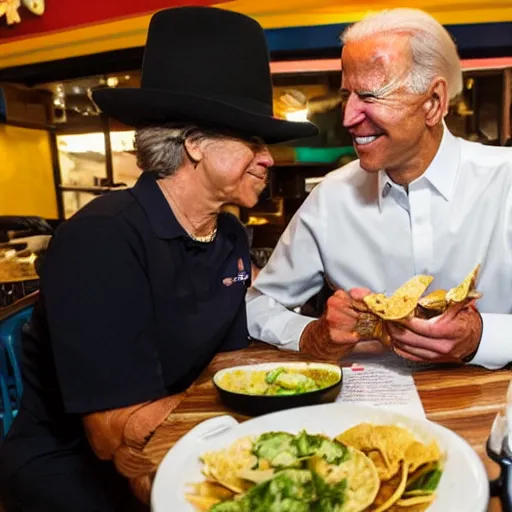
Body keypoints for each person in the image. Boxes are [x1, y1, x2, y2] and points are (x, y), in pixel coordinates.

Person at [0, 7, 317, 512]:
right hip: (74, 474)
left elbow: (229, 363)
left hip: (180, 437)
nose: (268, 159)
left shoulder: (228, 233)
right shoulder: (100, 240)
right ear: (193, 143)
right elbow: (111, 437)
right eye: (253, 141)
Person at [247, 8, 512, 370]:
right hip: (372, 415)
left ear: (433, 103)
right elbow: (258, 305)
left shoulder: (505, 181)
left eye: (370, 96)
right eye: (346, 95)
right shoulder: (331, 198)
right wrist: (313, 335)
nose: (348, 118)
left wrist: (483, 336)